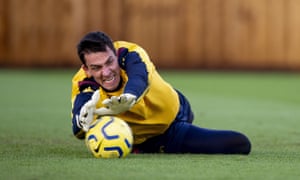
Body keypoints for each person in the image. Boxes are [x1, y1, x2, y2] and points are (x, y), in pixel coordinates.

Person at [71, 31, 251, 154]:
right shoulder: (83, 84)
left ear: (116, 55)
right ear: (86, 69)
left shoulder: (130, 53)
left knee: (241, 144)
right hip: (165, 134)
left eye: (110, 62)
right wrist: (81, 123)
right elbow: (79, 124)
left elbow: (139, 78)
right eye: (96, 67)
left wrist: (130, 97)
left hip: (176, 110)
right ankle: (140, 147)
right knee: (239, 143)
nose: (106, 72)